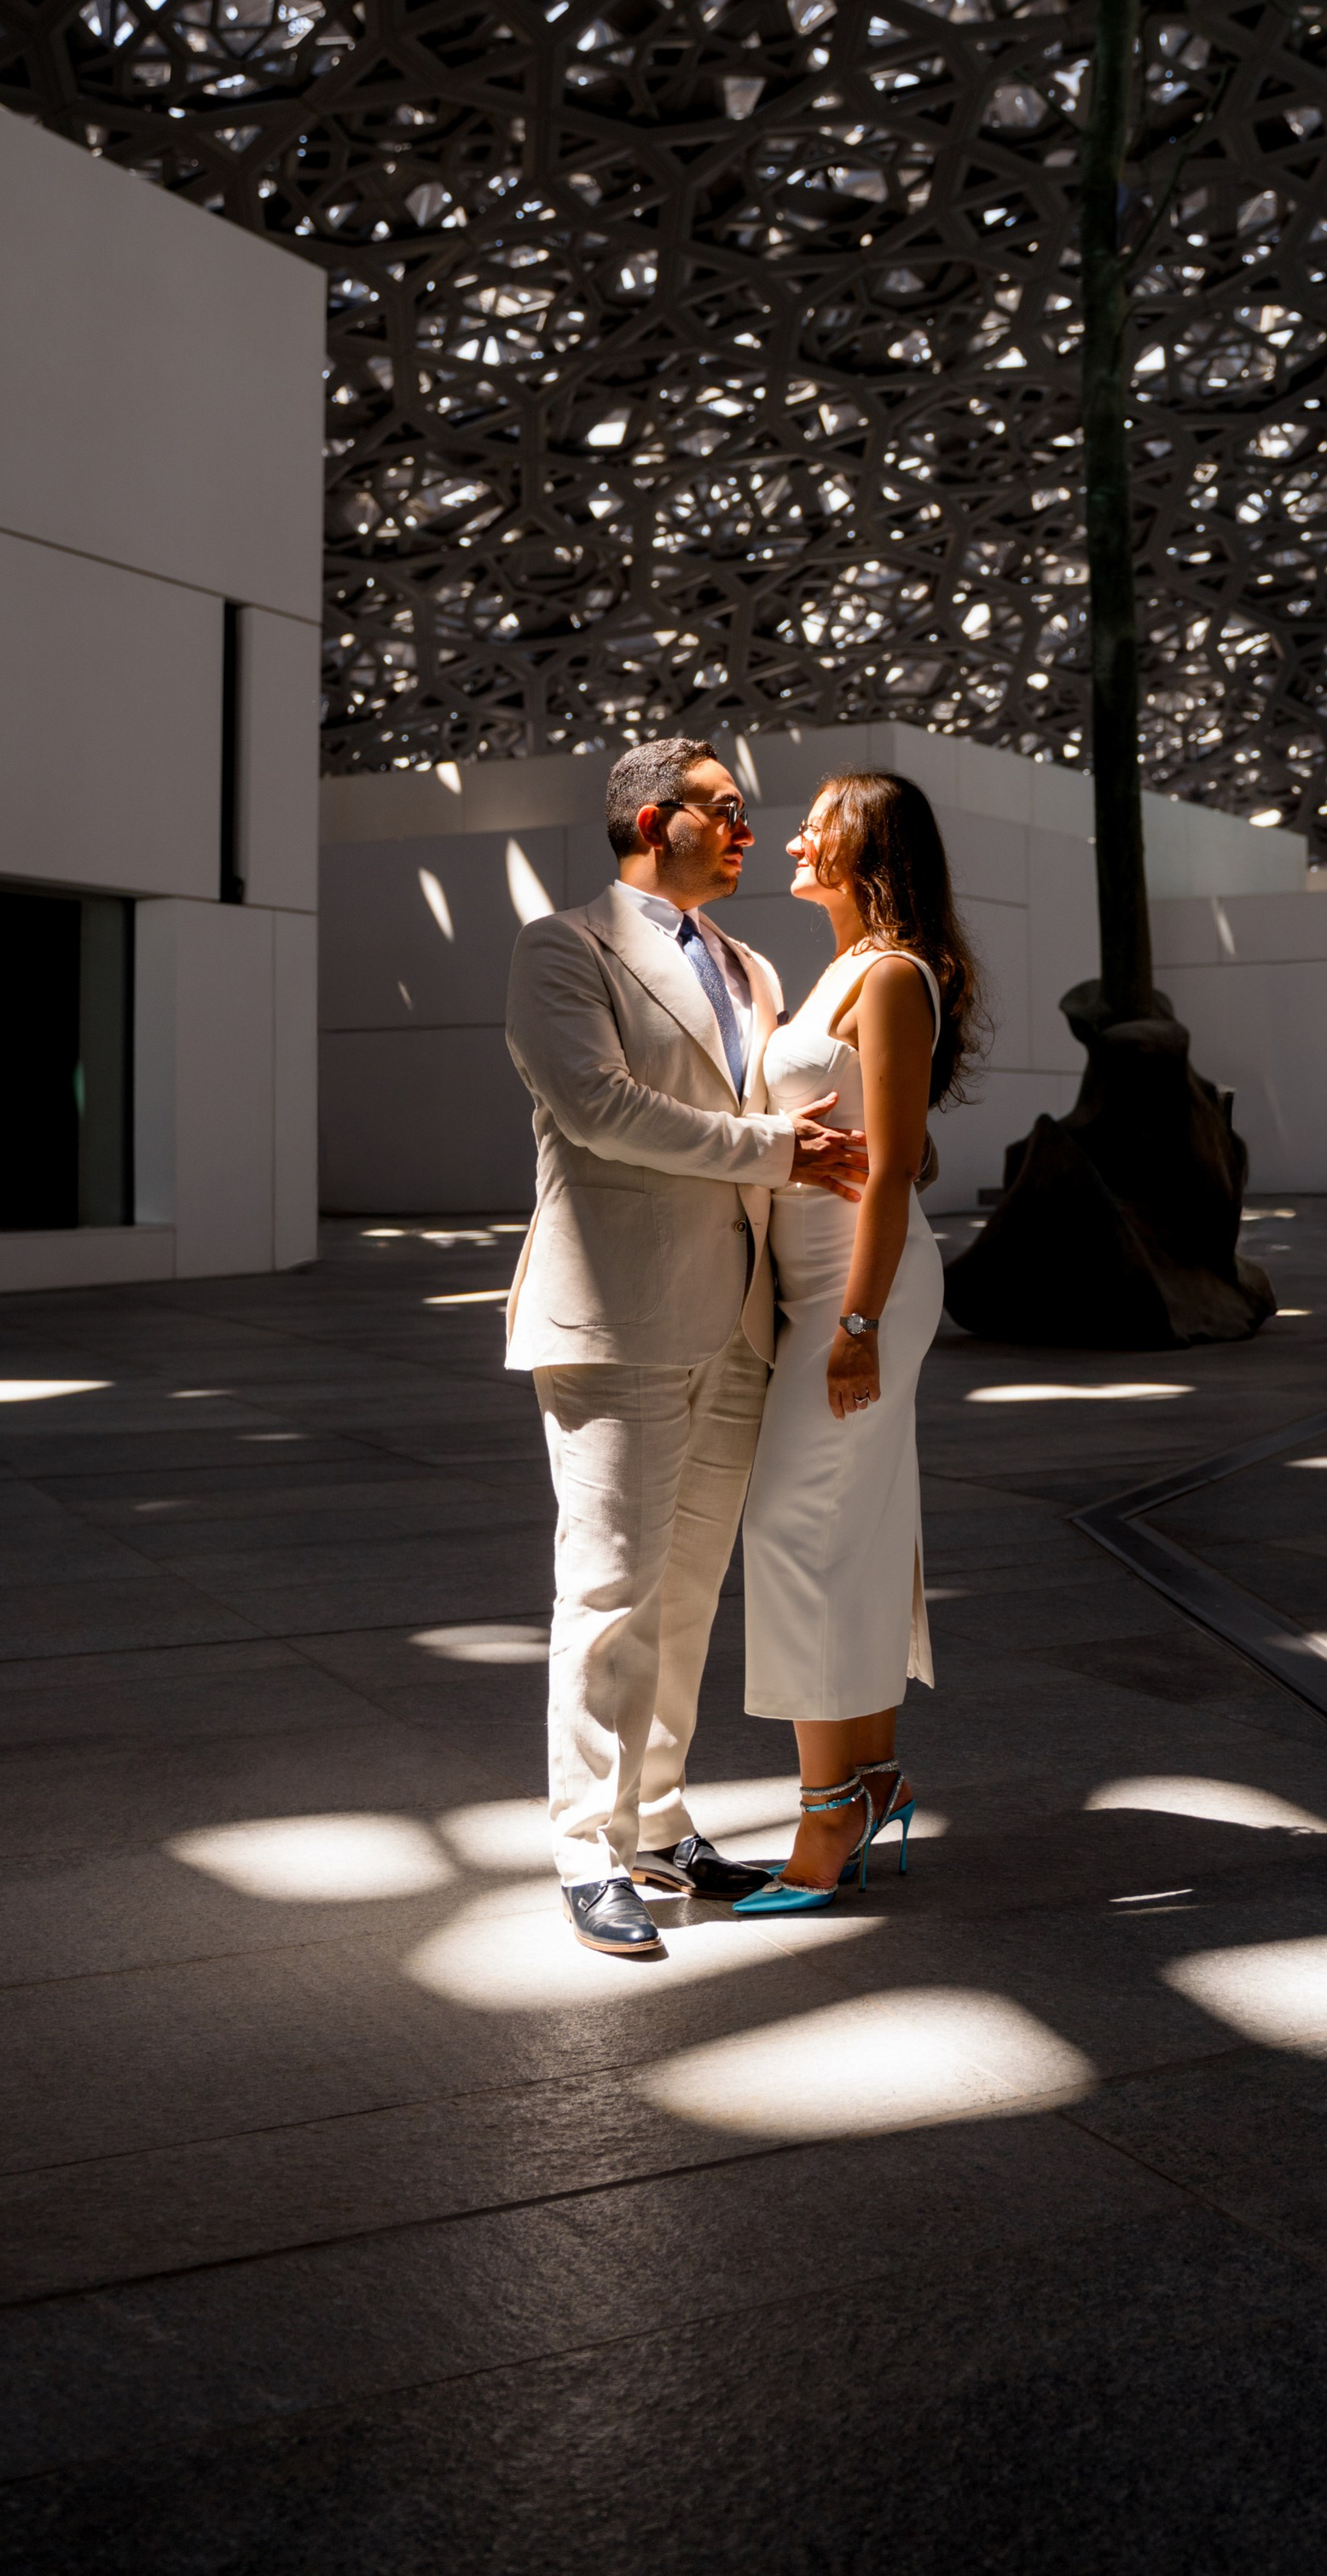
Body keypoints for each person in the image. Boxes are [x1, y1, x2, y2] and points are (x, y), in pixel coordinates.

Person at [502, 736, 868, 1959]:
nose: (749, 832)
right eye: (728, 811)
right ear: (657, 822)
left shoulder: (752, 965)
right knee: (607, 1592)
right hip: (617, 1317)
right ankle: (584, 1852)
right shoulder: (563, 950)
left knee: (686, 1595)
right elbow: (599, 1111)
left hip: (736, 1320)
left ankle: (656, 1824)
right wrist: (777, 1149)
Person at [733, 773, 982, 1913]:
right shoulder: (832, 973)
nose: (794, 835)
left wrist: (860, 1324)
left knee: (796, 1531)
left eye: (818, 823)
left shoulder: (888, 978)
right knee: (856, 1532)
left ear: (868, 847)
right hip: (817, 1289)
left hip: (860, 1288)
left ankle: (827, 1819)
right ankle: (873, 1777)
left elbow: (893, 1167)